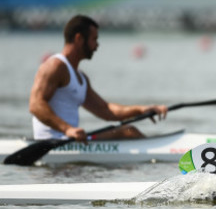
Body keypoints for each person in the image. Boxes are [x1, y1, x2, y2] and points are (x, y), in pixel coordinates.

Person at [29, 15, 168, 141]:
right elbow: (35, 105)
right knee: (128, 132)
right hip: (52, 142)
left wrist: (141, 110)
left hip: (71, 139)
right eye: (94, 39)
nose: (97, 45)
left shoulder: (81, 77)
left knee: (129, 131)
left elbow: (106, 110)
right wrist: (68, 129)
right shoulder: (55, 66)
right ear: (79, 39)